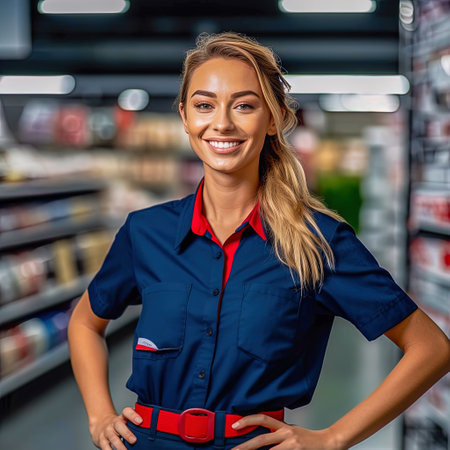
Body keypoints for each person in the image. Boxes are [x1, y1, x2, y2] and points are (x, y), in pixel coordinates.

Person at [68, 32, 450, 450]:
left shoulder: (317, 241)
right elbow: (86, 322)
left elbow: (430, 348)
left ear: (273, 119)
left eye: (245, 105)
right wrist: (99, 414)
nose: (222, 123)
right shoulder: (146, 233)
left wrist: (333, 437)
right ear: (184, 116)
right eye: (204, 105)